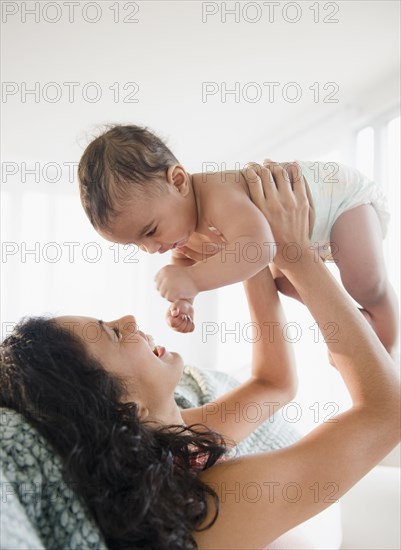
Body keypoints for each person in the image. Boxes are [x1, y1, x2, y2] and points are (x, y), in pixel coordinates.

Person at [1, 164, 399, 549]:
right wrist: (295, 254)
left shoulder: (174, 445)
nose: (129, 319)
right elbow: (386, 413)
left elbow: (274, 384)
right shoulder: (206, 507)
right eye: (112, 334)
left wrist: (251, 253)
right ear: (123, 408)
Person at [78, 125, 398, 360]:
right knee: (283, 283)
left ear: (177, 181)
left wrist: (192, 280)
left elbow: (258, 248)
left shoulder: (217, 192)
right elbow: (187, 262)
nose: (151, 248)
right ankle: (354, 322)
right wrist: (186, 300)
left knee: (363, 282)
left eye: (149, 231)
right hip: (306, 235)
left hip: (340, 201)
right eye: (136, 244)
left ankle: (384, 319)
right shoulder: (183, 233)